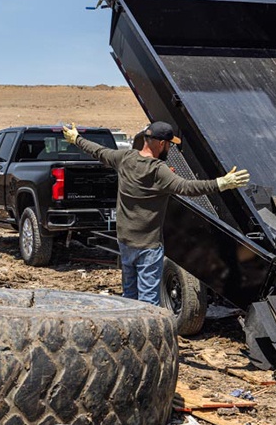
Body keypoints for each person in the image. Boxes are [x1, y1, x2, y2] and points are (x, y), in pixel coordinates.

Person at [62, 121, 250, 305]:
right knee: (148, 301)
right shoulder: (159, 170)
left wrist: (76, 138)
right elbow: (187, 187)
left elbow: (98, 151)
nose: (169, 148)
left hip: (125, 240)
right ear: (161, 144)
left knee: (130, 295)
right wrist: (221, 183)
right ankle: (148, 334)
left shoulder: (124, 158)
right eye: (169, 144)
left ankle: (132, 331)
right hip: (148, 245)